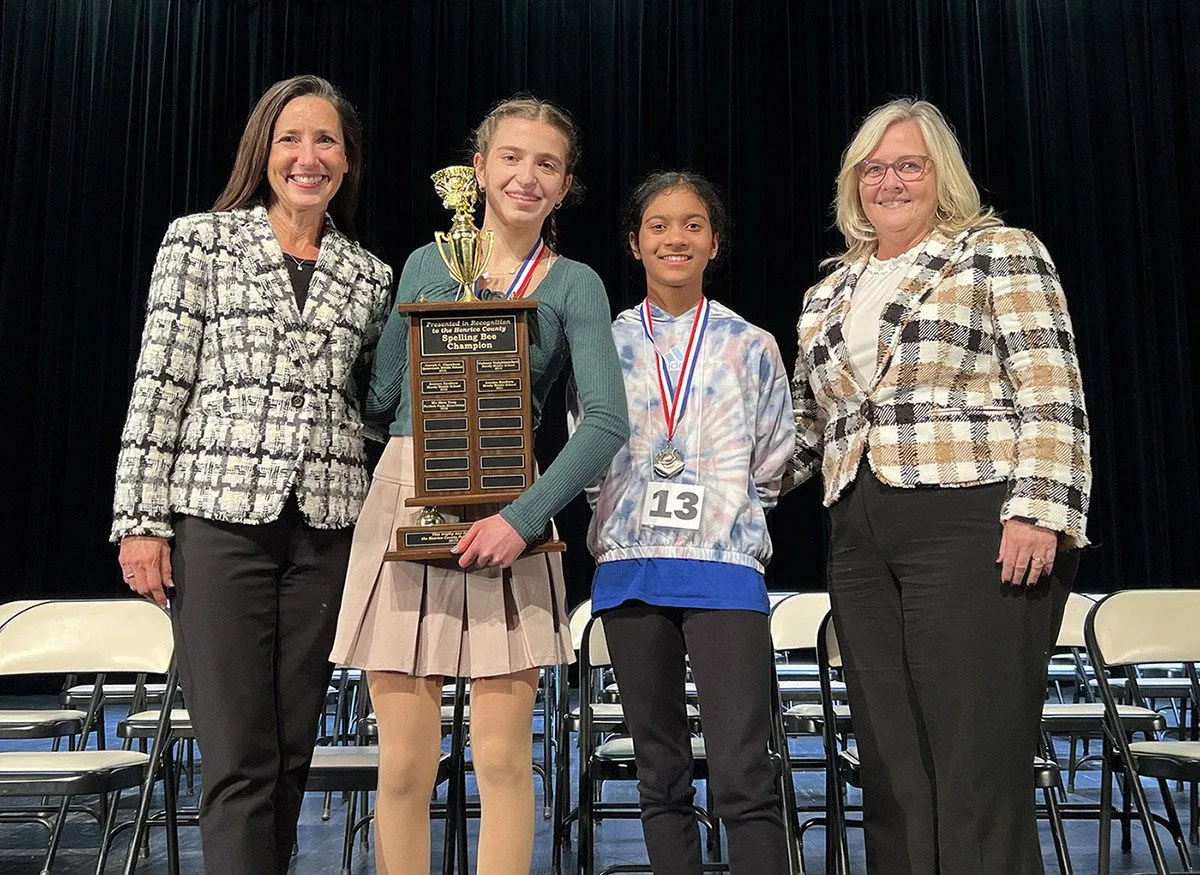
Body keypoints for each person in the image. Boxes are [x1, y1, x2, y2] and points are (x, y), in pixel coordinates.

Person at [789, 98, 1092, 874]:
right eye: (874, 167)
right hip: (858, 530)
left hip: (973, 519)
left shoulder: (996, 251)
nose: (889, 181)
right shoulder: (829, 291)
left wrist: (1040, 511)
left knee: (973, 766)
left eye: (909, 165)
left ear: (940, 175)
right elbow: (803, 430)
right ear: (854, 182)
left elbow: (1051, 387)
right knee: (890, 767)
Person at [331, 95, 629, 874]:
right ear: (478, 171)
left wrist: (523, 519)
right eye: (511, 158)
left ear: (565, 186)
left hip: (509, 503)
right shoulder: (429, 261)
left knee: (500, 760)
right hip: (408, 487)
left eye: (547, 164)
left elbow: (604, 423)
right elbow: (381, 398)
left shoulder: (577, 285)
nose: (526, 176)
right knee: (402, 762)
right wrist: (418, 310)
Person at [111, 75, 393, 873]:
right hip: (218, 521)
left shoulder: (368, 274)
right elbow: (160, 381)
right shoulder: (200, 239)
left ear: (348, 157)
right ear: (262, 150)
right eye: (291, 139)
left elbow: (369, 405)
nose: (309, 157)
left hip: (325, 527)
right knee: (237, 755)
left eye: (327, 140)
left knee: (291, 752)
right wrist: (140, 519)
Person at [581, 172, 795, 874]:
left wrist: (724, 504)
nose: (676, 236)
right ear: (636, 243)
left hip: (724, 568)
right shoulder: (603, 344)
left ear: (715, 241)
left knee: (743, 771)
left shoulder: (750, 344)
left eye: (693, 224)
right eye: (660, 224)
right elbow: (585, 454)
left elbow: (775, 459)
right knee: (659, 773)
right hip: (630, 566)